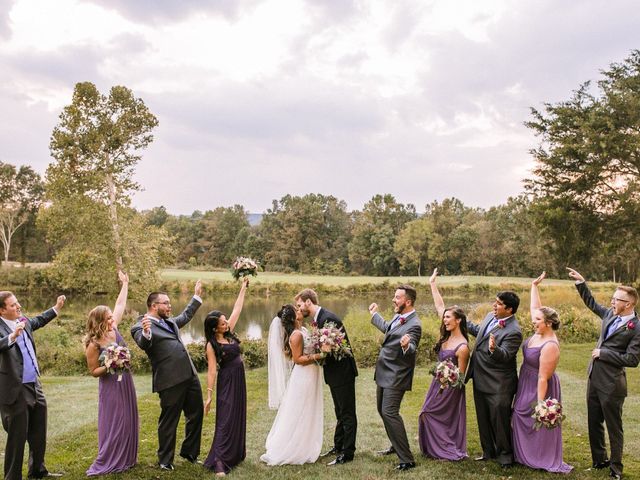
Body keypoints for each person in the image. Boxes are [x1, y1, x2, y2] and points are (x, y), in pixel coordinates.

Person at [568, 267, 640, 480]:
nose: (611, 302)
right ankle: (599, 460)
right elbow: (591, 303)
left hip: (612, 384)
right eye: (612, 298)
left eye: (616, 300)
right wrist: (581, 283)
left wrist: (604, 353)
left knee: (614, 428)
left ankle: (616, 469)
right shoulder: (609, 314)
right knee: (593, 422)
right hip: (594, 378)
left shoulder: (636, 328)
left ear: (628, 304)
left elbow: (632, 360)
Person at [130, 280, 204, 471]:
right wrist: (146, 332)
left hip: (190, 375)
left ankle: (190, 453)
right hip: (170, 380)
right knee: (169, 421)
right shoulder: (140, 325)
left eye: (170, 303)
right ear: (154, 306)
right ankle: (165, 460)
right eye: (166, 303)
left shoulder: (169, 321)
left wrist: (196, 296)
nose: (170, 306)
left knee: (196, 414)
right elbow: (143, 343)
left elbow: (186, 316)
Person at [0, 291, 66, 480]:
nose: (18, 306)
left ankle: (37, 471)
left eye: (17, 303)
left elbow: (39, 320)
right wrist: (13, 336)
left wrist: (56, 308)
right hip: (14, 388)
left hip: (34, 384)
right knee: (17, 437)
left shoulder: (23, 320)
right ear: (1, 310)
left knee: (38, 431)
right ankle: (12, 477)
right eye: (13, 305)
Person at [511, 272, 572, 473]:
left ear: (548, 323)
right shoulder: (539, 330)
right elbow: (534, 308)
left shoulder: (550, 345)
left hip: (540, 384)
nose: (533, 321)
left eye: (537, 320)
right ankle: (524, 454)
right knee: (519, 413)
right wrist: (534, 286)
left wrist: (539, 404)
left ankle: (540, 456)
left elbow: (543, 377)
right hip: (527, 379)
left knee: (531, 415)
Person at [295, 289, 358, 465]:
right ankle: (338, 446)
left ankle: (348, 452)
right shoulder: (318, 320)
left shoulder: (328, 319)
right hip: (334, 374)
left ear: (308, 302)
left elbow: (335, 349)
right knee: (339, 412)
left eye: (300, 305)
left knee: (347, 413)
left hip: (342, 373)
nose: (299, 309)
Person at [84, 271, 138, 476]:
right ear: (99, 321)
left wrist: (125, 283)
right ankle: (110, 457)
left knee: (127, 418)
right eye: (107, 318)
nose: (112, 320)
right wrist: (110, 364)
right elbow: (93, 372)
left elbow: (120, 305)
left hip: (125, 381)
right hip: (109, 385)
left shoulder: (113, 330)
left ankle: (126, 456)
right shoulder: (93, 344)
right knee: (115, 420)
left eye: (111, 317)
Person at [260, 304, 325, 465]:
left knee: (308, 408)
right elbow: (298, 359)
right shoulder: (295, 335)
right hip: (304, 375)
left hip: (311, 373)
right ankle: (295, 447)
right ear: (293, 317)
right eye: (296, 310)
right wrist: (319, 355)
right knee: (301, 410)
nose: (300, 310)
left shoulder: (302, 330)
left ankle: (306, 443)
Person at [465, 289, 522, 468]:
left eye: (498, 303)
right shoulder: (490, 316)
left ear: (510, 309)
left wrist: (493, 349)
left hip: (500, 383)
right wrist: (461, 320)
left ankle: (505, 456)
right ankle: (487, 452)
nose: (494, 305)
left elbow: (505, 355)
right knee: (483, 417)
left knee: (500, 420)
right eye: (495, 302)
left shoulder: (515, 331)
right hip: (480, 376)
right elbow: (479, 332)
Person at [369, 284, 422, 471]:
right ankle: (395, 444)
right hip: (384, 371)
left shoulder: (414, 325)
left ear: (407, 302)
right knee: (382, 411)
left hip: (397, 375)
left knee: (390, 412)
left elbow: (412, 347)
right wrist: (375, 315)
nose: (393, 299)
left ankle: (407, 459)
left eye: (397, 297)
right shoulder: (399, 316)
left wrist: (407, 345)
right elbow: (389, 330)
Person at [418, 268, 469, 460]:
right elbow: (440, 306)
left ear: (457, 321)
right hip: (437, 384)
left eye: (448, 318)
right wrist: (432, 283)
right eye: (445, 317)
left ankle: (446, 447)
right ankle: (433, 448)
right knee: (427, 413)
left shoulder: (463, 347)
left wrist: (448, 382)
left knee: (430, 413)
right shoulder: (445, 336)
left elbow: (461, 378)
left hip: (451, 389)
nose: (445, 319)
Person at [202, 277, 249, 476]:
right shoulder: (211, 345)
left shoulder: (229, 334)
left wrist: (242, 289)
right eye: (222, 323)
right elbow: (212, 370)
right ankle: (220, 461)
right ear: (215, 328)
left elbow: (237, 308)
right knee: (225, 419)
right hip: (227, 382)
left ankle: (235, 454)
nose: (226, 323)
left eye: (225, 321)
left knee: (237, 415)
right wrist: (209, 395)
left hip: (239, 380)